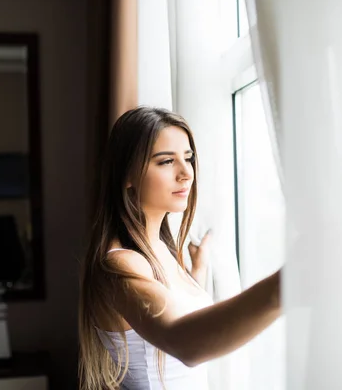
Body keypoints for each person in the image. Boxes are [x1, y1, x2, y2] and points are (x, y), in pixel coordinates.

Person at [78, 107, 282, 390]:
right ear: (127, 175)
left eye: (189, 158)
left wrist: (195, 274)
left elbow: (165, 318)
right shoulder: (120, 263)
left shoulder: (160, 249)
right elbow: (183, 343)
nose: (187, 173)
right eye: (166, 162)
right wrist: (281, 288)